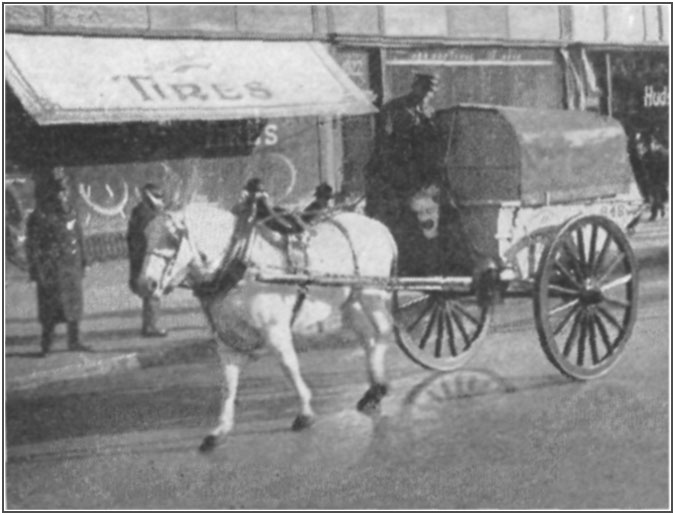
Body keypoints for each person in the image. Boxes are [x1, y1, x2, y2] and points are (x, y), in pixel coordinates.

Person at [26, 167, 91, 356]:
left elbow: (79, 238)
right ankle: (46, 345)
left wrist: (84, 261)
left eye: (64, 190)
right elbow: (33, 246)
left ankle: (74, 340)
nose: (63, 194)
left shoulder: (71, 212)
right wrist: (36, 269)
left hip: (72, 266)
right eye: (58, 190)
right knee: (50, 309)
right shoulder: (39, 217)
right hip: (52, 268)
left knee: (74, 306)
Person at [127, 183, 168, 337]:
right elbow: (147, 237)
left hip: (144, 256)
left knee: (150, 291)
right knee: (153, 291)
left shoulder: (142, 211)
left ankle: (149, 325)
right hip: (147, 256)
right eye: (157, 196)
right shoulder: (145, 213)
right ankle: (151, 327)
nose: (161, 201)